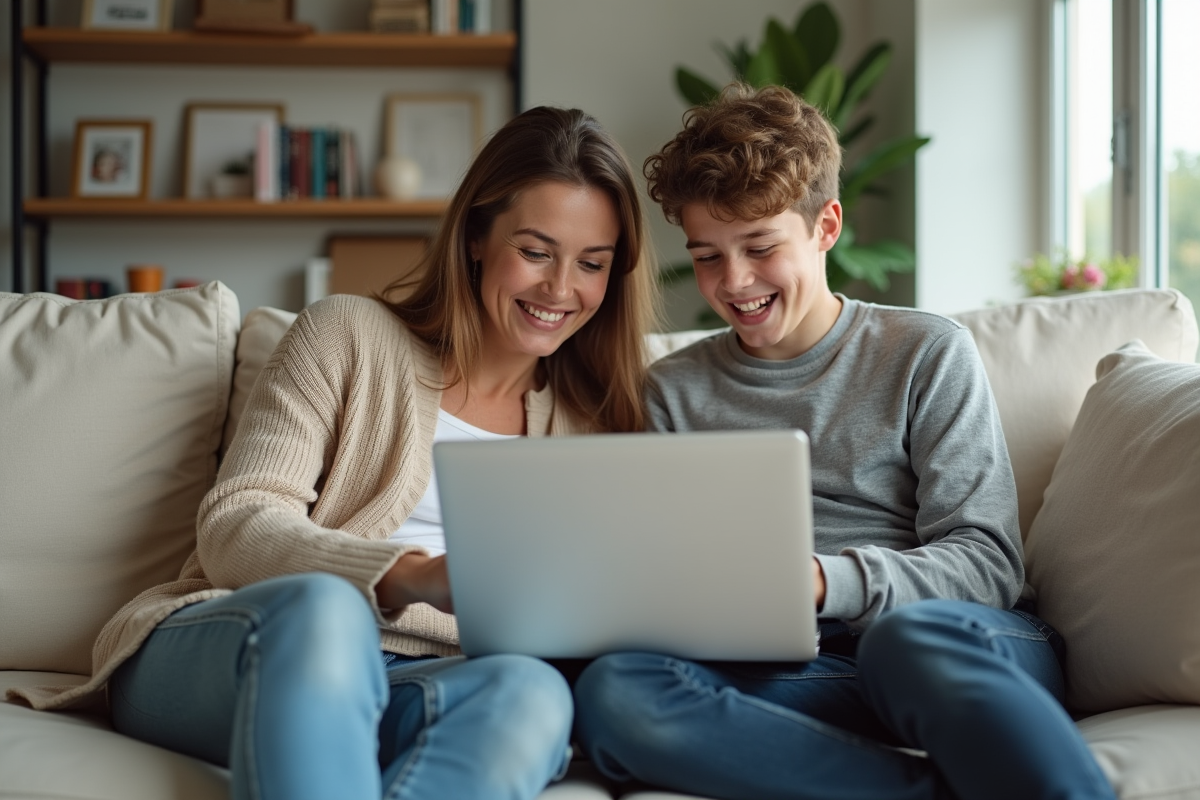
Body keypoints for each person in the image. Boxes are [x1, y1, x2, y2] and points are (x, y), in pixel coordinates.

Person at [16, 106, 657, 800]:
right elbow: (237, 524)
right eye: (535, 251)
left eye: (591, 264)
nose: (561, 289)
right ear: (476, 235)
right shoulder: (348, 334)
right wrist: (411, 576)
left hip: (424, 677)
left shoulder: (598, 423)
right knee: (328, 612)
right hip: (239, 645)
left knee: (532, 692)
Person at [571, 84, 1116, 800]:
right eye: (707, 256)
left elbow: (987, 563)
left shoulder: (924, 351)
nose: (733, 282)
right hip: (807, 672)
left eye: (760, 247)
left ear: (825, 226)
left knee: (904, 642)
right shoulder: (671, 390)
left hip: (952, 646)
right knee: (617, 688)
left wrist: (824, 581)